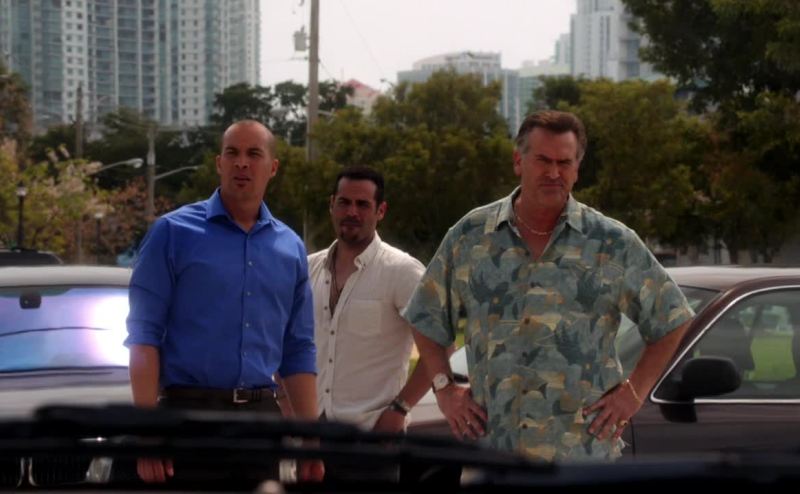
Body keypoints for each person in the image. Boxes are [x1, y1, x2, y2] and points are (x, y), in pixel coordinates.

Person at [403, 110, 694, 462]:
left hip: (582, 457)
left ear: (577, 169)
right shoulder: (470, 236)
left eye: (564, 163)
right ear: (518, 161)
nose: (554, 173)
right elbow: (426, 316)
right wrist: (444, 389)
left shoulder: (612, 243)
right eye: (543, 160)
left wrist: (634, 394)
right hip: (495, 454)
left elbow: (672, 318)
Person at [125, 120, 323, 483]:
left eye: (254, 154)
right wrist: (147, 433)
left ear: (273, 167)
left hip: (261, 425)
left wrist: (311, 440)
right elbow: (144, 337)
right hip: (188, 420)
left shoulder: (290, 248)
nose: (241, 163)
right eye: (232, 153)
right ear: (219, 163)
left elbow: (298, 350)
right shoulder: (172, 233)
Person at [304, 166, 429, 482]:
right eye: (344, 202)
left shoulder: (402, 272)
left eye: (362, 204)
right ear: (331, 205)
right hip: (311, 440)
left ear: (381, 210)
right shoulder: (308, 270)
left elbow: (440, 349)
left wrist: (399, 409)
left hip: (372, 440)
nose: (352, 212)